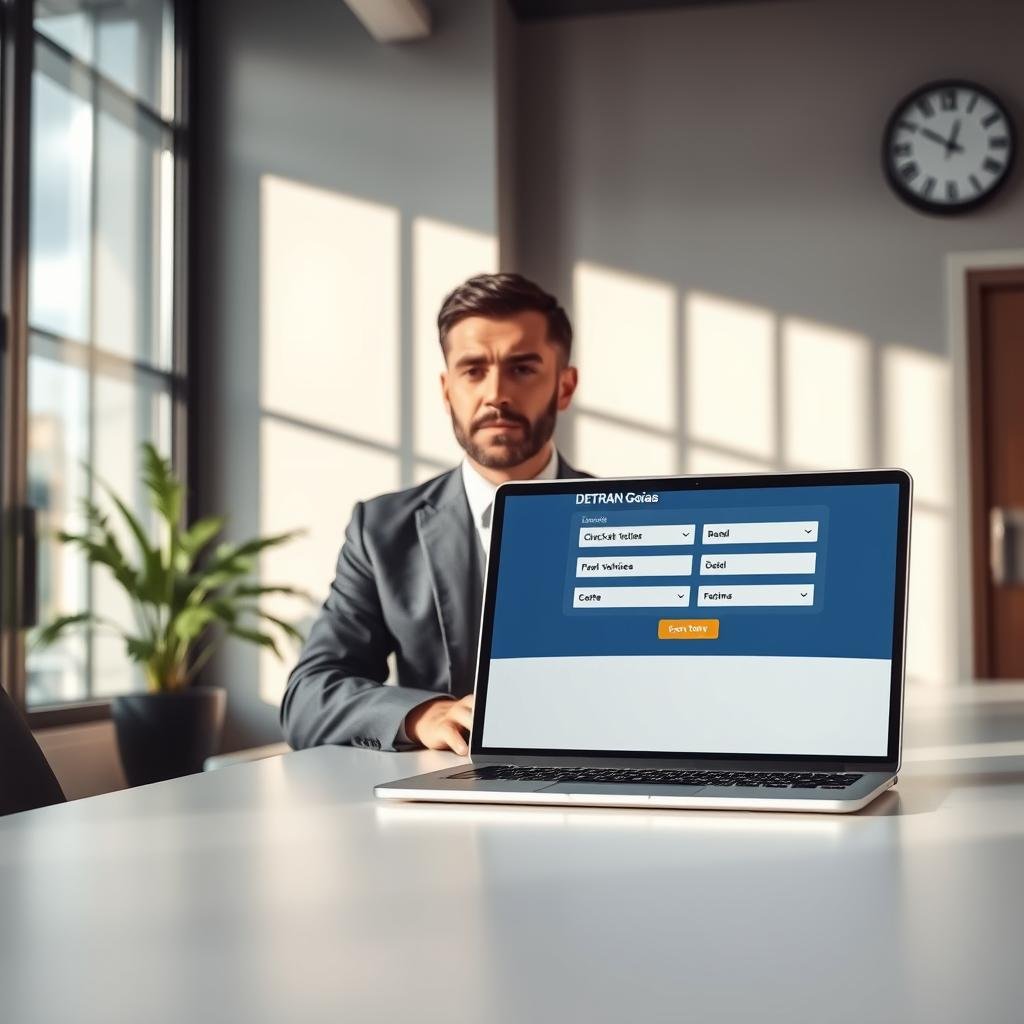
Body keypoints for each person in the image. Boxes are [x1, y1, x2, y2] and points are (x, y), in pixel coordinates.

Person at [281, 273, 590, 755]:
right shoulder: (380, 532)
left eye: (523, 368)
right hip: (439, 796)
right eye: (472, 370)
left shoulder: (643, 521)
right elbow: (308, 696)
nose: (496, 394)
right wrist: (421, 714)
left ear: (564, 386)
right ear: (447, 390)